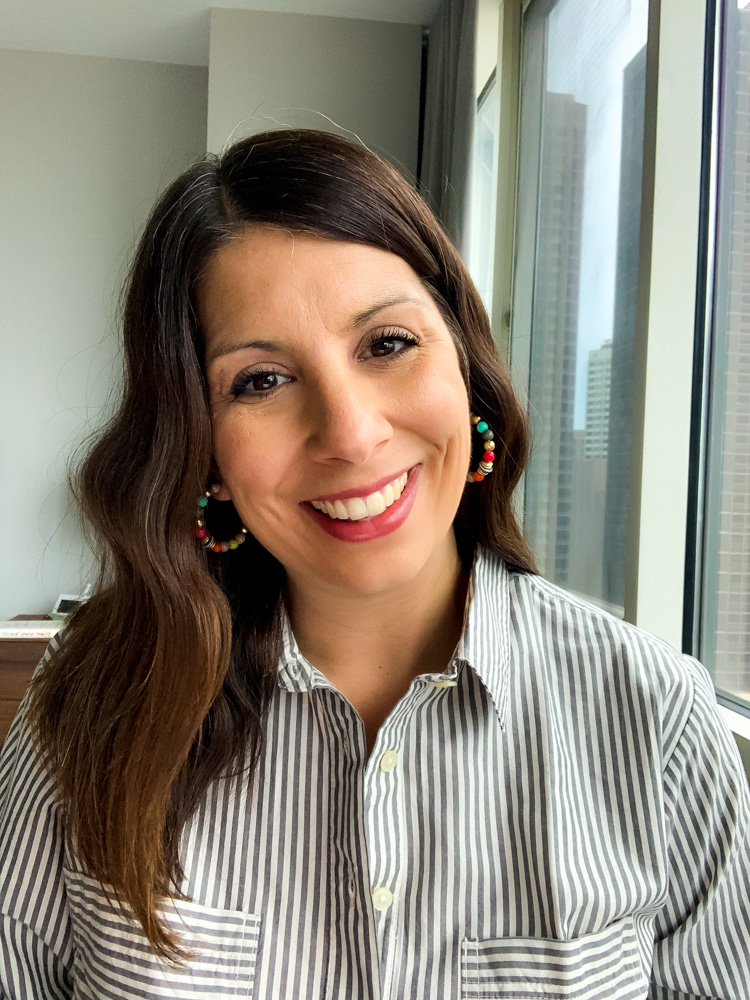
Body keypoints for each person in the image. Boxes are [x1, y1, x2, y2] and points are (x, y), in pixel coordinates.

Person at [0, 129, 748, 1000]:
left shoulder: (656, 718)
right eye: (260, 381)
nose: (351, 434)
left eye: (387, 343)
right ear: (200, 447)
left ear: (464, 363)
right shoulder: (91, 698)